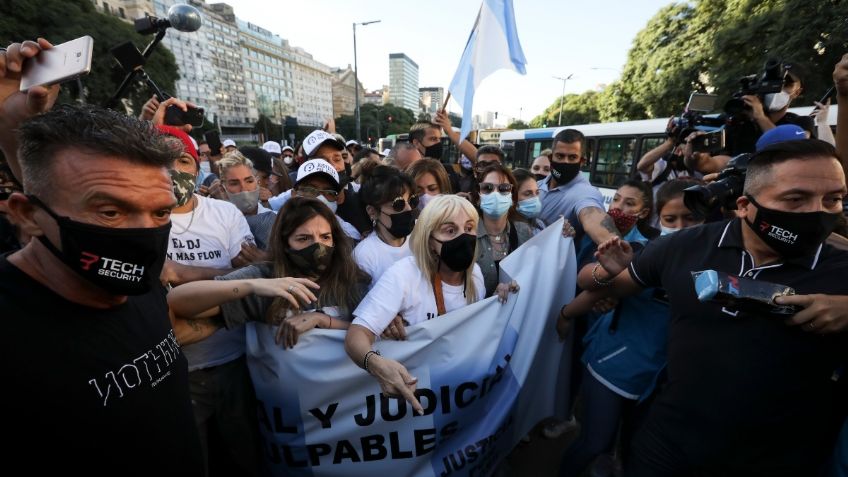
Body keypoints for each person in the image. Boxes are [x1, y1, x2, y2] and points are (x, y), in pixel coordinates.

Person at [586, 139, 848, 476]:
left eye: (834, 199)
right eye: (796, 199)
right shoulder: (682, 247)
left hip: (780, 461)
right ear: (743, 205)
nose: (818, 213)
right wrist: (603, 273)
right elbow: (611, 282)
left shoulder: (841, 271)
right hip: (667, 444)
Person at [0, 39, 202, 472]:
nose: (145, 234)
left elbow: (53, 193)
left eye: (161, 211)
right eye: (111, 212)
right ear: (25, 216)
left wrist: (11, 123)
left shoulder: (136, 280)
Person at [556, 179, 703, 476]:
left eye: (691, 219)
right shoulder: (646, 253)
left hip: (662, 382)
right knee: (594, 444)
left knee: (633, 451)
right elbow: (588, 282)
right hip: (614, 368)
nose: (681, 226)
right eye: (671, 219)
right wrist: (604, 276)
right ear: (657, 219)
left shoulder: (722, 266)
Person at [154, 123, 260, 476]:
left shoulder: (224, 213)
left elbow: (247, 278)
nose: (173, 171)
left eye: (182, 161)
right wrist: (220, 277)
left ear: (197, 165)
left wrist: (180, 274)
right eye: (162, 160)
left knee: (245, 458)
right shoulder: (138, 220)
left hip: (235, 362)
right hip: (173, 373)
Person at [345, 195, 512, 414]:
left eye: (469, 228)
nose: (464, 237)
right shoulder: (404, 275)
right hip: (415, 396)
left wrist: (502, 298)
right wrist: (376, 364)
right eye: (450, 230)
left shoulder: (476, 277)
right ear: (430, 240)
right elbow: (356, 335)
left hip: (455, 394)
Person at [167, 196, 368, 349]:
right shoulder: (266, 277)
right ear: (285, 243)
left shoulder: (351, 277)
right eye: (303, 239)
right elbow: (176, 302)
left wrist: (322, 320)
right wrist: (252, 285)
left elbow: (377, 330)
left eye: (325, 237)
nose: (318, 247)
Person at [538, 129, 619, 254]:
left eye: (572, 157)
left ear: (582, 161)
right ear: (550, 158)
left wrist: (615, 247)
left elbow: (592, 215)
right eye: (560, 156)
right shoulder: (537, 186)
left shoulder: (585, 192)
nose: (565, 162)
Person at [471, 162, 533, 296]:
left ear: (512, 197)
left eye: (504, 188)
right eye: (487, 188)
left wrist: (563, 235)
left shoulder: (525, 232)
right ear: (478, 197)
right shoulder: (467, 235)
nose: (495, 194)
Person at [354, 165, 417, 289]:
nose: (409, 208)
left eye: (412, 201)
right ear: (372, 212)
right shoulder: (364, 256)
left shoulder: (421, 237)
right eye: (398, 204)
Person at [216, 151, 277, 252]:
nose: (244, 189)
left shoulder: (275, 219)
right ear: (223, 188)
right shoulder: (217, 224)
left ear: (257, 182)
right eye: (234, 183)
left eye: (249, 181)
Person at [290, 158, 362, 241]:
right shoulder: (276, 226)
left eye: (329, 192)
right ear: (294, 194)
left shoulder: (349, 236)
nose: (320, 199)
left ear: (336, 199)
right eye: (310, 190)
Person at [512, 168, 546, 234]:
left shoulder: (540, 225)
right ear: (512, 197)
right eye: (528, 194)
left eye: (537, 192)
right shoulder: (504, 229)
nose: (535, 198)